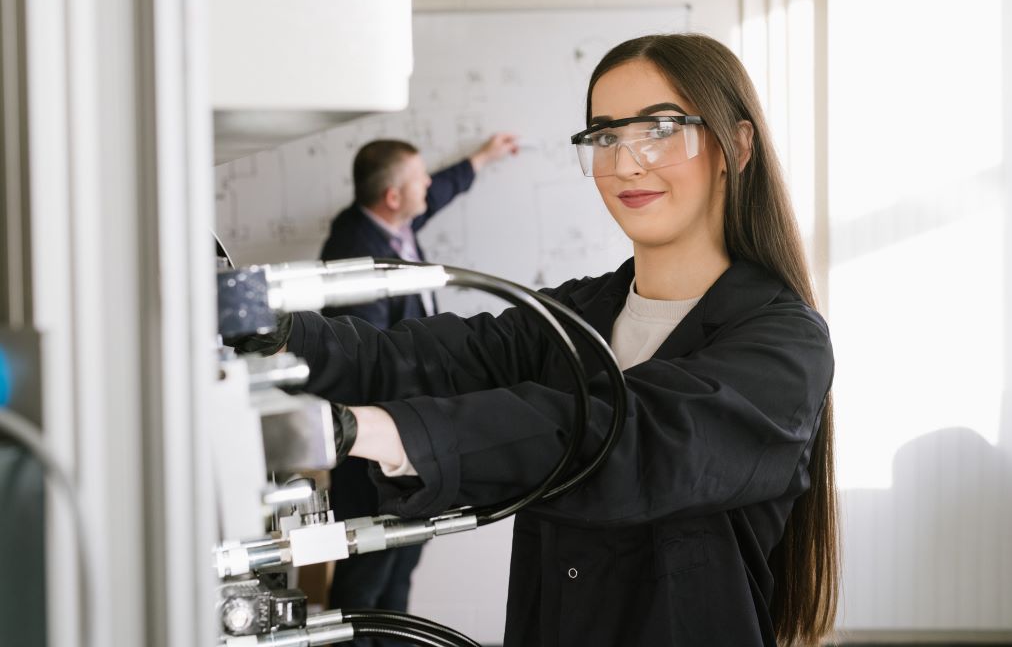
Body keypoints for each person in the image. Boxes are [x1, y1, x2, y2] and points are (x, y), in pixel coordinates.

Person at [289, 34, 838, 646]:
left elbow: (623, 441)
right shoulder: (574, 316)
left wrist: (363, 429)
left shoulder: (785, 344)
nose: (626, 164)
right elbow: (416, 358)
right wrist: (267, 328)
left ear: (736, 145)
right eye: (605, 136)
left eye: (660, 129)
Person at [317, 134, 518, 637]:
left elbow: (440, 190)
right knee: (368, 574)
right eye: (418, 179)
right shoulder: (355, 254)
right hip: (375, 448)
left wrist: (482, 158)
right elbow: (371, 361)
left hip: (411, 436)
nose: (428, 183)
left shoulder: (393, 227)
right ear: (392, 197)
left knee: (400, 565)